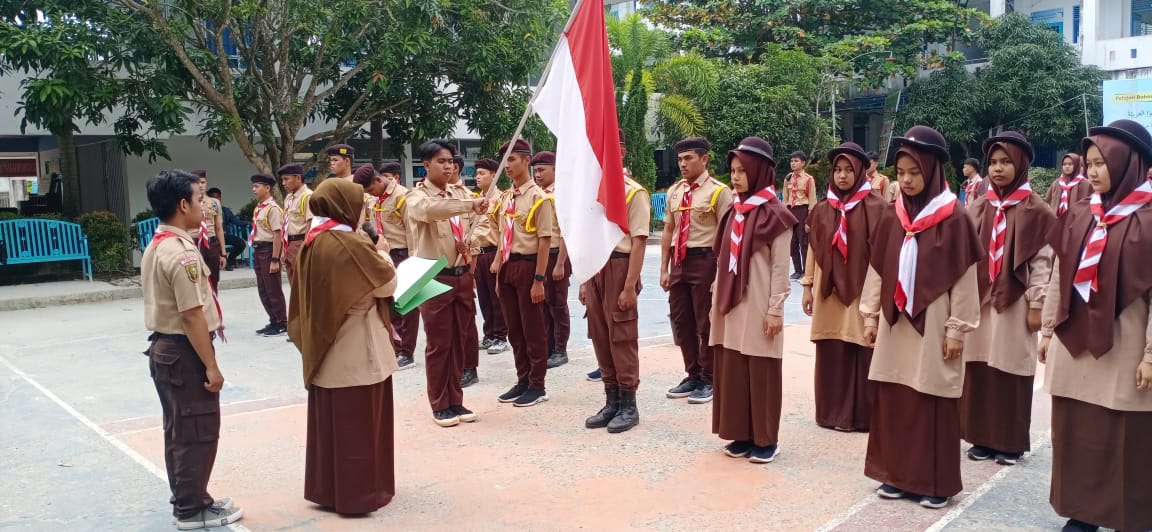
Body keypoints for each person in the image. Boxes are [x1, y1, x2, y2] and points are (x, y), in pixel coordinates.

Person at [859, 125, 983, 509]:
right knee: (895, 394)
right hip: (895, 322)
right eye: (901, 173)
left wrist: (958, 330)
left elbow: (964, 280)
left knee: (931, 396)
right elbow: (878, 267)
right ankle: (895, 474)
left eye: (915, 173)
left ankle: (933, 481)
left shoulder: (955, 217)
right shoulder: (893, 217)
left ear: (931, 171)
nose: (907, 181)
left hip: (935, 324)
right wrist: (868, 314)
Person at [1038, 119, 1152, 532]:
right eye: (1090, 163)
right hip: (1075, 342)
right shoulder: (1082, 213)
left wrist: (1151, 356)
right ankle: (1082, 511)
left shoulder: (1149, 219)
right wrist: (1048, 329)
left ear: (1128, 163)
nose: (1093, 172)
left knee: (1123, 434)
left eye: (1102, 163)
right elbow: (1058, 273)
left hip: (1125, 348)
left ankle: (1127, 514)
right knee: (1075, 430)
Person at [287, 178, 398, 515]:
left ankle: (329, 489)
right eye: (358, 202)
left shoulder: (314, 239)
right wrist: (383, 254)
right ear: (343, 205)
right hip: (355, 347)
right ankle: (359, 495)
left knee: (332, 427)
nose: (363, 208)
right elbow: (386, 284)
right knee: (359, 426)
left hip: (327, 347)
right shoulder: (349, 242)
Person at [141, 169, 243, 530]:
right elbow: (191, 316)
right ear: (183, 204)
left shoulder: (159, 243)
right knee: (195, 431)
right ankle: (190, 509)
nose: (205, 206)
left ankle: (195, 497)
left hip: (166, 349)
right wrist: (211, 366)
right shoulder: (181, 254)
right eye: (199, 200)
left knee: (180, 429)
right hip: (183, 351)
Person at [961, 131, 1055, 466]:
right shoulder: (979, 205)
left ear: (1022, 164)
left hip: (1017, 301)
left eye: (1006, 162)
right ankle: (980, 436)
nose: (998, 169)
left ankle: (1010, 442)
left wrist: (1038, 304)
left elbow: (1044, 261)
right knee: (979, 364)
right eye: (994, 163)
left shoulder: (1038, 209)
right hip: (981, 298)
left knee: (1011, 366)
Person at [708, 137, 795, 464]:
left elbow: (780, 267)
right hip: (731, 302)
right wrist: (716, 293)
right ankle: (742, 433)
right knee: (734, 367)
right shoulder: (734, 211)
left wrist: (775, 309)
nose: (735, 177)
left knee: (761, 368)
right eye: (732, 170)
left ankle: (765, 439)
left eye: (743, 171)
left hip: (759, 302)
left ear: (760, 171)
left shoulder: (777, 215)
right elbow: (723, 258)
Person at [800, 142, 888, 432]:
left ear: (861, 171)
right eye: (837, 170)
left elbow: (884, 256)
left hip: (862, 291)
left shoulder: (878, 208)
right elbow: (813, 249)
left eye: (849, 170)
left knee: (861, 347)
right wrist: (808, 286)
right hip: (828, 292)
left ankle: (860, 417)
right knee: (832, 348)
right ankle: (830, 413)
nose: (842, 176)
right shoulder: (824, 208)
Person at [407, 140, 489, 426]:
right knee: (439, 343)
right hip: (432, 276)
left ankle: (456, 400)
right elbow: (432, 211)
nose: (447, 165)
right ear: (426, 164)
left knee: (460, 341)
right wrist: (469, 204)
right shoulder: (417, 197)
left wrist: (471, 244)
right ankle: (439, 403)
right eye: (440, 161)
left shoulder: (459, 192)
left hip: (461, 275)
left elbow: (476, 225)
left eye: (450, 161)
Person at [581, 151, 650, 433]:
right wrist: (585, 280)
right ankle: (611, 400)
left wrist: (630, 285)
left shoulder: (634, 193)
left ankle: (628, 404)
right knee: (599, 334)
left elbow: (639, 242)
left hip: (620, 267)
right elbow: (587, 237)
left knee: (621, 336)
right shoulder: (592, 193)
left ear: (618, 152)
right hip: (596, 267)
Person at [661, 137, 733, 405]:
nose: (682, 164)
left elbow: (727, 236)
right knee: (681, 321)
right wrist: (664, 268)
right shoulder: (675, 191)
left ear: (704, 159)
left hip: (705, 259)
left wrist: (720, 275)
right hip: (679, 261)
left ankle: (709, 377)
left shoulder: (719, 192)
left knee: (705, 322)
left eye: (688, 158)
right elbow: (669, 229)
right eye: (680, 159)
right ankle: (692, 374)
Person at [493, 139, 554, 408]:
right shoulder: (506, 198)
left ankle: (537, 385)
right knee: (514, 329)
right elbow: (500, 238)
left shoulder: (538, 198)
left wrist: (539, 280)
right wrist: (498, 276)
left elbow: (544, 240)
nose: (507, 165)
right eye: (505, 160)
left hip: (529, 266)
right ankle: (522, 379)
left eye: (512, 159)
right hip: (507, 265)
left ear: (526, 161)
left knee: (533, 328)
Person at [353, 162, 418, 372]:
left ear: (379, 180)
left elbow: (412, 231)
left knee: (406, 305)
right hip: (382, 255)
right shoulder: (373, 199)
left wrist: (413, 261)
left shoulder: (402, 196)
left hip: (402, 254)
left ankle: (407, 352)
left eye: (371, 189)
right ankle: (395, 348)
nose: (370, 194)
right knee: (387, 305)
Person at [532, 151, 572, 369]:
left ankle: (560, 349)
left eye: (542, 170)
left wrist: (560, 263)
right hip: (543, 255)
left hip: (557, 254)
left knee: (558, 304)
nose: (538, 175)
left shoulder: (561, 195)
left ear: (555, 170)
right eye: (535, 171)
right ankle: (548, 346)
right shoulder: (539, 194)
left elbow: (566, 231)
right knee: (544, 303)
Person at [447, 155, 484, 382]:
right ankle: (453, 365)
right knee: (445, 325)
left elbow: (478, 233)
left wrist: (471, 268)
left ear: (455, 168)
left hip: (463, 267)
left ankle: (469, 367)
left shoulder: (470, 199)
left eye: (446, 163)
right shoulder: (430, 198)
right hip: (440, 269)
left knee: (466, 321)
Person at [470, 158, 510, 359]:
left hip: (494, 251)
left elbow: (504, 231)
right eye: (476, 174)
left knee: (497, 298)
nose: (477, 177)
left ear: (494, 175)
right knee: (484, 298)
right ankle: (489, 333)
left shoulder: (501, 199)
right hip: (479, 253)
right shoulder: (476, 200)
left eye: (482, 174)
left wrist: (499, 258)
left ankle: (501, 337)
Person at [250, 173, 288, 337]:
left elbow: (277, 235)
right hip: (259, 250)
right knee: (263, 288)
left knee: (273, 288)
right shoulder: (260, 207)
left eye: (257, 186)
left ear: (267, 188)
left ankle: (281, 322)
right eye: (253, 186)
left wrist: (275, 258)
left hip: (268, 249)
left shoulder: (273, 209)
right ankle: (273, 319)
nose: (254, 189)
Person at [783, 151, 816, 280]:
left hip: (803, 210)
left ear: (803, 163)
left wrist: (809, 220)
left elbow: (812, 200)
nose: (793, 163)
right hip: (791, 211)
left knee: (804, 242)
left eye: (796, 161)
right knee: (792, 241)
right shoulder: (788, 178)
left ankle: (806, 271)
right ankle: (797, 270)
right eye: (792, 161)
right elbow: (785, 199)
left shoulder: (808, 179)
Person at [193, 170, 227, 291]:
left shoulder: (214, 203)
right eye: (197, 183)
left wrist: (223, 253)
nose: (200, 185)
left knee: (213, 278)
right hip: (194, 242)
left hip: (212, 243)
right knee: (196, 279)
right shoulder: (187, 202)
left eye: (203, 182)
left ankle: (213, 306)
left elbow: (219, 228)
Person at [279, 164, 313, 281]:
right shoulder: (289, 197)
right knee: (292, 283)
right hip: (289, 243)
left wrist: (305, 248)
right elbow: (286, 223)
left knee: (302, 283)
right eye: (282, 179)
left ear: (298, 178)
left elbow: (310, 223)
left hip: (300, 242)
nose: (283, 183)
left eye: (286, 179)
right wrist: (284, 248)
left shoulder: (308, 196)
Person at [206, 188, 247, 270]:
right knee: (215, 245)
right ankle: (216, 264)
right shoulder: (205, 210)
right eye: (213, 197)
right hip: (210, 236)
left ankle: (230, 261)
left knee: (241, 244)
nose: (216, 199)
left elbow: (235, 221)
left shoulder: (226, 211)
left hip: (224, 236)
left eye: (218, 197)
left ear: (220, 198)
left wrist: (248, 222)